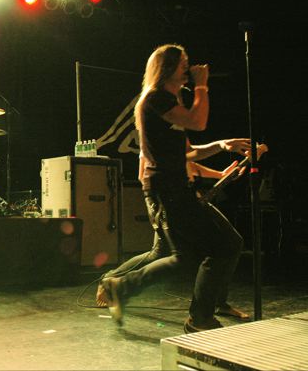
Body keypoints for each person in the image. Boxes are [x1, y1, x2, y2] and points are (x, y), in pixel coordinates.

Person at [100, 44, 247, 333]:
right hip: (168, 189)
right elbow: (198, 121)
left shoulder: (170, 101)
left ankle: (122, 287)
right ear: (167, 68)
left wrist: (221, 145)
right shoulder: (156, 98)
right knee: (226, 245)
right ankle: (200, 317)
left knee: (187, 257)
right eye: (183, 63)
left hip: (175, 187)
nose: (188, 69)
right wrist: (202, 86)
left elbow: (188, 153)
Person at [96, 156, 251, 321]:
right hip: (169, 201)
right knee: (175, 255)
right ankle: (111, 281)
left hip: (180, 198)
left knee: (226, 245)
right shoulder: (155, 143)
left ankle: (216, 304)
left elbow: (185, 160)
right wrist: (220, 148)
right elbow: (150, 172)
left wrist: (219, 174)